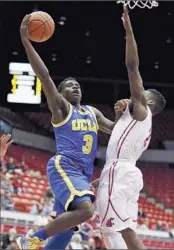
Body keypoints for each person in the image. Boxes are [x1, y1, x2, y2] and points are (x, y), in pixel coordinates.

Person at [17, 15, 116, 250]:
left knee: (66, 229)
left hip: (81, 174)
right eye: (70, 85)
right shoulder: (62, 109)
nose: (76, 86)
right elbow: (44, 76)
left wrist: (127, 113)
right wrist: (26, 41)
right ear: (60, 93)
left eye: (78, 85)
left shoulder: (93, 113)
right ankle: (31, 239)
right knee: (86, 211)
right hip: (65, 166)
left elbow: (117, 131)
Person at [95, 7, 166, 250]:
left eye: (141, 94)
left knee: (120, 230)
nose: (135, 94)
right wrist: (117, 116)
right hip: (124, 173)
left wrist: (129, 31)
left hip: (119, 172)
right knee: (115, 229)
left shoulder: (142, 109)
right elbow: (117, 138)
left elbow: (132, 66)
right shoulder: (139, 121)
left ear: (149, 102)